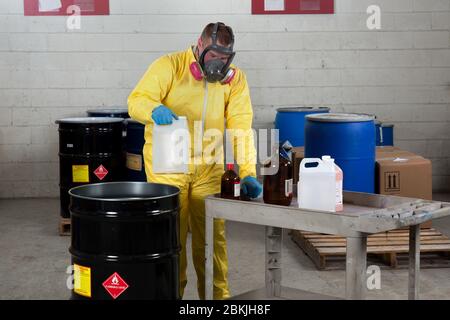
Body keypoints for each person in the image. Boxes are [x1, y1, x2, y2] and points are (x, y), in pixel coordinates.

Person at [128, 22, 262, 300]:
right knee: (169, 240)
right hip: (168, 165)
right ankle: (170, 296)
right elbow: (136, 100)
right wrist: (153, 109)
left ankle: (216, 301)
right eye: (214, 57)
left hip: (209, 166)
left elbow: (241, 126)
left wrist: (248, 171)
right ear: (199, 46)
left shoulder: (234, 80)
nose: (219, 64)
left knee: (213, 241)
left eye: (225, 59)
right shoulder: (170, 66)